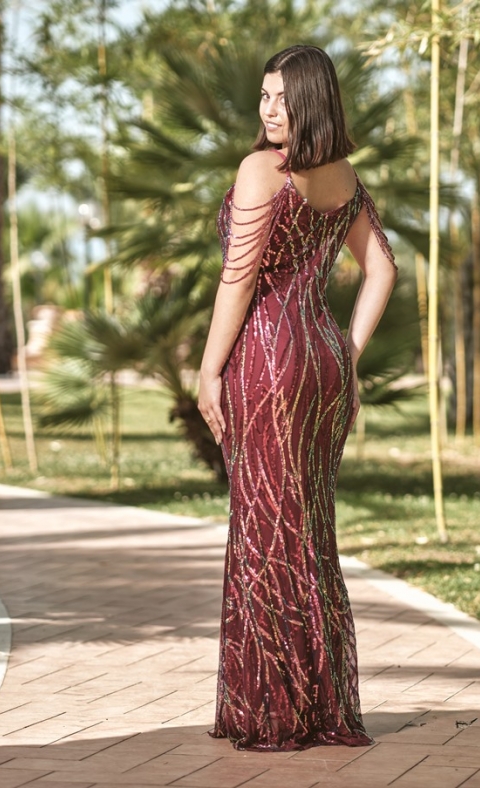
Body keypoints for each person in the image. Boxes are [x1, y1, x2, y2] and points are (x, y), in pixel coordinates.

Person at [198, 44, 397, 752]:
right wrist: (347, 353)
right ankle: (318, 702)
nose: (270, 110)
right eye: (264, 97)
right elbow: (383, 269)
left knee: (265, 530)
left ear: (312, 101)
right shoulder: (342, 176)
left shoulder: (262, 170)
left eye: (283, 98)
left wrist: (208, 370)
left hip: (267, 363)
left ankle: (276, 710)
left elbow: (238, 282)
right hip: (320, 362)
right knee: (306, 530)